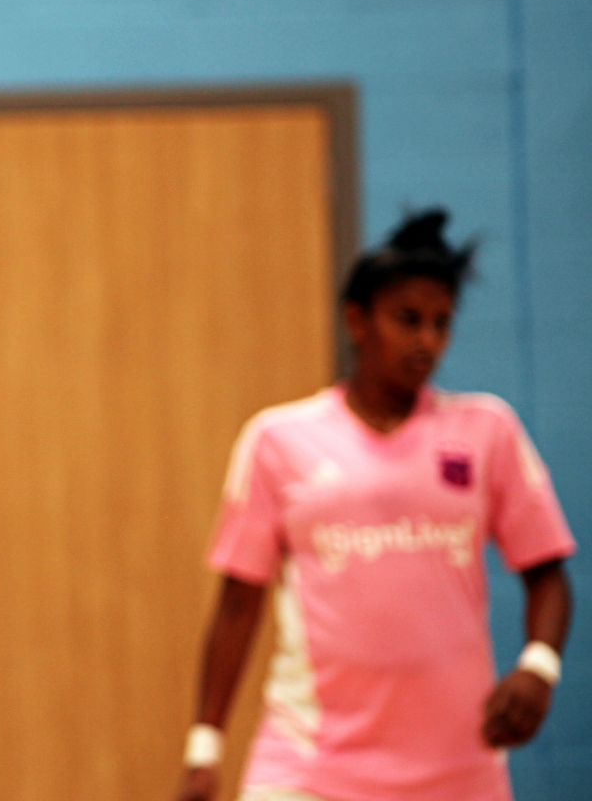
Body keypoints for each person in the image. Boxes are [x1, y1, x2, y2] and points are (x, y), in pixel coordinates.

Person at [174, 209, 575, 801]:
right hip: (310, 766)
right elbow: (238, 605)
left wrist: (539, 667)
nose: (427, 341)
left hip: (457, 770)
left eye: (441, 323)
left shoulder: (487, 430)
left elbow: (548, 573)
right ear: (356, 320)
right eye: (408, 320)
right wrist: (204, 748)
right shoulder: (278, 440)